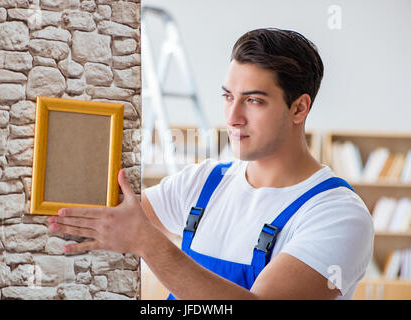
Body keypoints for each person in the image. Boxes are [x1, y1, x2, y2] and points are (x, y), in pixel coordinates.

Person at [48, 28, 374, 300]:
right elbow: (105, 218)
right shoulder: (204, 182)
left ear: (299, 109)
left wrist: (147, 243)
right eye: (228, 97)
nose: (233, 118)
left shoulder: (337, 214)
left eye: (254, 100)